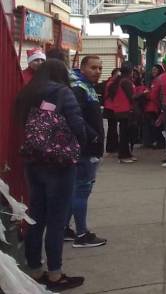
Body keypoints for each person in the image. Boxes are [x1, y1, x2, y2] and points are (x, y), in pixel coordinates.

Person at [14, 59, 88, 291]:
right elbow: (77, 125)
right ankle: (55, 274)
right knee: (57, 220)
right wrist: (81, 145)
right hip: (59, 163)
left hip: (32, 161)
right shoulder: (62, 92)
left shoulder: (27, 92)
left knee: (36, 215)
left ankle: (34, 270)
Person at [65, 55, 108, 248]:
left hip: (87, 148)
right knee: (81, 190)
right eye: (93, 68)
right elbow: (76, 118)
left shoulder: (85, 87)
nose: (97, 72)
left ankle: (65, 228)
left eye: (99, 68)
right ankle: (81, 234)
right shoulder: (79, 89)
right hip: (85, 150)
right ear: (82, 68)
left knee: (75, 190)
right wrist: (93, 136)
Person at [105, 63, 136, 163]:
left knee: (124, 133)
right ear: (130, 72)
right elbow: (131, 97)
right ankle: (124, 155)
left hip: (120, 110)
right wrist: (142, 94)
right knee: (125, 134)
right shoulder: (126, 81)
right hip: (126, 110)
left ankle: (126, 154)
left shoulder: (119, 81)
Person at [140, 65, 164, 148]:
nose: (153, 71)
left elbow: (154, 95)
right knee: (154, 125)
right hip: (153, 106)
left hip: (155, 106)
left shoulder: (157, 80)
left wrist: (146, 94)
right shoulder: (155, 80)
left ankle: (160, 142)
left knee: (156, 125)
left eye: (155, 69)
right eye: (152, 69)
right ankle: (158, 141)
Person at [102, 68, 120, 155]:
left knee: (112, 127)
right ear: (113, 75)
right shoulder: (111, 84)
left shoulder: (109, 83)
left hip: (110, 107)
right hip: (111, 108)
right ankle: (112, 147)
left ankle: (112, 146)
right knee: (112, 128)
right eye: (117, 75)